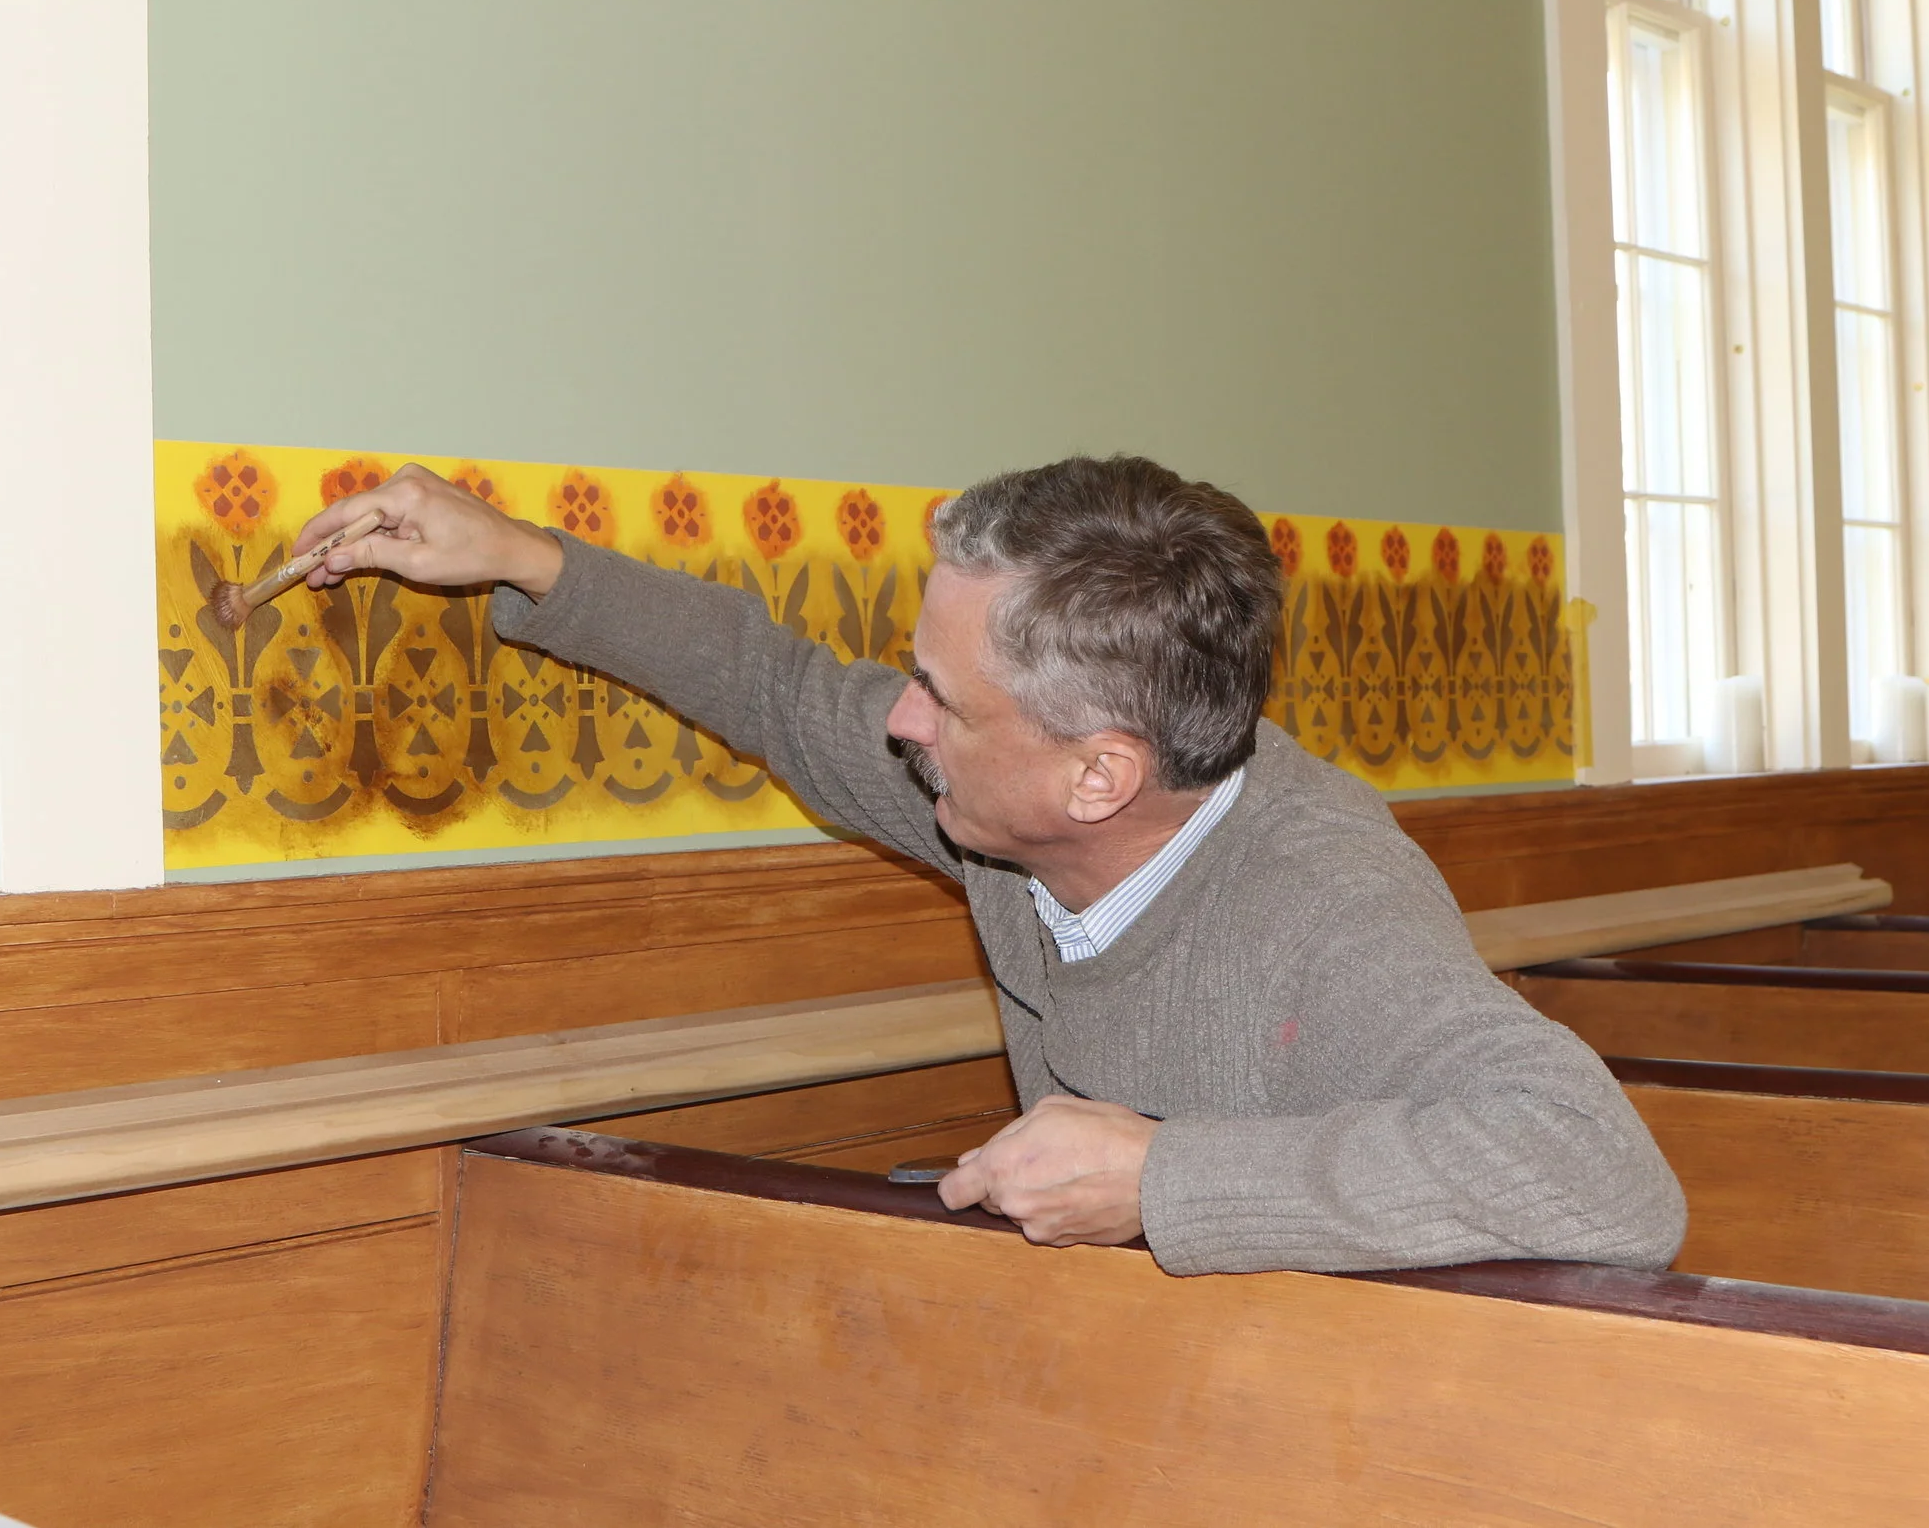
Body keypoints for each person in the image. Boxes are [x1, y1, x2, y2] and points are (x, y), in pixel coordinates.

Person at [290, 455, 1687, 1276]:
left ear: (1099, 776)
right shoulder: (1009, 807)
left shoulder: (1328, 906)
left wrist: (1162, 1181)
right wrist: (519, 556)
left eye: (944, 701)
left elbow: (1604, 1176)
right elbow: (777, 688)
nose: (903, 724)